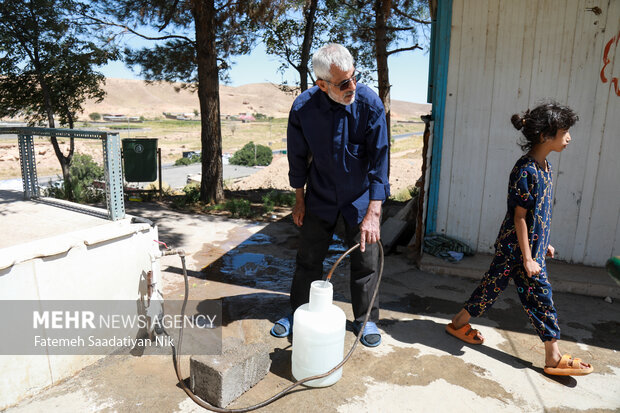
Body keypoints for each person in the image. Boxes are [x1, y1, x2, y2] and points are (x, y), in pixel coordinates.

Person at [445, 102, 594, 376]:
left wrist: (544, 241)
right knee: (541, 296)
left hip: (525, 247)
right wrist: (528, 257)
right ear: (545, 135)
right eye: (564, 132)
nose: (569, 137)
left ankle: (457, 323)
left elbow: (540, 213)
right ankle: (553, 357)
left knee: (490, 289)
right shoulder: (525, 170)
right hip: (518, 249)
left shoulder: (545, 167)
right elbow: (519, 217)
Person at [270, 43, 390, 347]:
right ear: (322, 84)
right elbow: (297, 158)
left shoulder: (369, 104)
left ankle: (366, 319)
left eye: (354, 77)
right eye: (343, 83)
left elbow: (380, 162)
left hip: (360, 198)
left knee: (367, 260)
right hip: (320, 194)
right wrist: (300, 199)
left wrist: (374, 213)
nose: (352, 87)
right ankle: (298, 312)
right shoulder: (303, 109)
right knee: (308, 258)